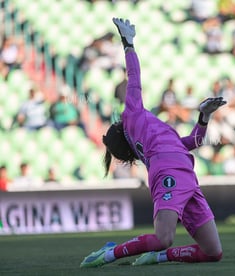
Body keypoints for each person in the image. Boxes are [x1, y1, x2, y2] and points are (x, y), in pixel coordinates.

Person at [80, 18, 225, 268]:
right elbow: (134, 77)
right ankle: (109, 253)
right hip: (169, 173)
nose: (127, 91)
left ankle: (157, 257)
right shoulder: (133, 116)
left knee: (213, 252)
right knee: (163, 237)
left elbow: (194, 141)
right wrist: (128, 44)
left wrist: (204, 116)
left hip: (187, 177)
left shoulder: (150, 131)